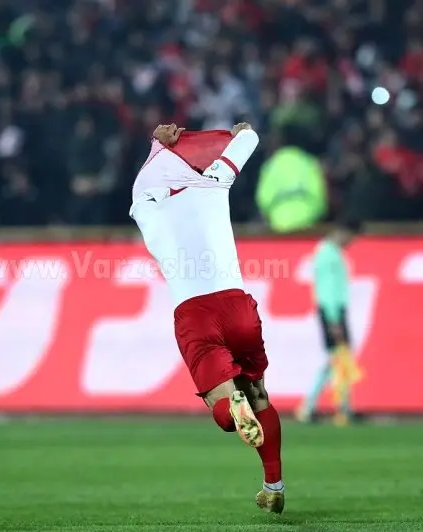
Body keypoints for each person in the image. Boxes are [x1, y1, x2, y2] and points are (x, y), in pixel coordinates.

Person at [130, 123, 285, 514]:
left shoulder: (144, 206)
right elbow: (249, 138)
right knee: (259, 395)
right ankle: (273, 485)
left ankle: (231, 409)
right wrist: (239, 132)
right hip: (237, 306)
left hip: (194, 314)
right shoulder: (214, 182)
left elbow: (147, 178)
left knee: (223, 403)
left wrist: (158, 143)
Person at [297, 217, 362, 426]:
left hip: (332, 311)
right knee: (340, 359)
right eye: (352, 238)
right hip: (332, 312)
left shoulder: (330, 252)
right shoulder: (328, 254)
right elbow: (327, 289)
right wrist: (333, 319)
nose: (351, 242)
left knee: (336, 360)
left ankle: (315, 407)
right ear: (344, 232)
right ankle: (339, 408)